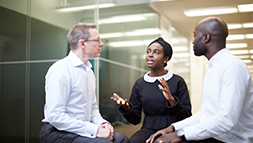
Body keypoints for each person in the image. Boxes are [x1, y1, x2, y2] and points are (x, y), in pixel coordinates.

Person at [146, 17, 253, 143]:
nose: (193, 41)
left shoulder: (232, 67)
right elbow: (204, 114)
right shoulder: (213, 69)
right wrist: (173, 128)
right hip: (215, 137)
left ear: (206, 38)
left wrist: (180, 135)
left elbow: (227, 120)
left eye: (195, 36)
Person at [39, 23, 128, 143]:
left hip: (80, 130)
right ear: (82, 43)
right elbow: (55, 116)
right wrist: (95, 130)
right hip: (57, 131)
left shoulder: (89, 72)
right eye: (97, 40)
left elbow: (93, 108)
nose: (101, 44)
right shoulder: (61, 69)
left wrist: (103, 124)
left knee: (121, 139)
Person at [111, 37, 192, 143]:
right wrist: (126, 107)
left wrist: (171, 100)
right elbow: (135, 120)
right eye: (148, 51)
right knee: (134, 141)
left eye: (156, 52)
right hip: (148, 128)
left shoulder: (177, 81)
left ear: (165, 58)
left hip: (173, 128)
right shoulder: (140, 83)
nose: (150, 54)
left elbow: (187, 116)